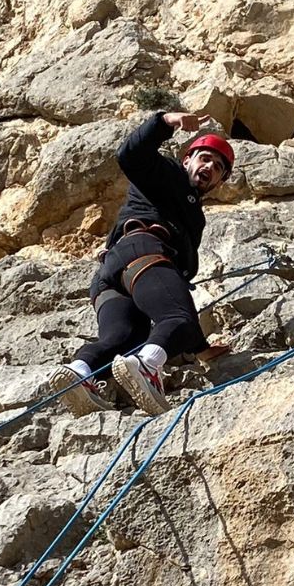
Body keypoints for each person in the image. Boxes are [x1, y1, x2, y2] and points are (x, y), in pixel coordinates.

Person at [50, 111, 235, 416]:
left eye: (218, 168)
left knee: (123, 339)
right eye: (204, 159)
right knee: (179, 317)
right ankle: (147, 367)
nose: (209, 168)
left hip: (113, 271)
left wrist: (201, 348)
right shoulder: (165, 173)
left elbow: (170, 298)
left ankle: (80, 372)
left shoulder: (191, 212)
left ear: (219, 181)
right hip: (144, 251)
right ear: (187, 160)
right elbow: (129, 154)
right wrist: (164, 122)